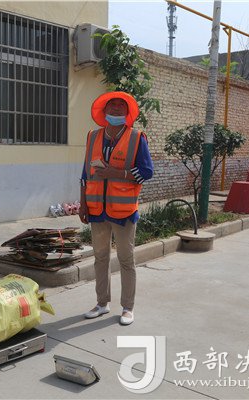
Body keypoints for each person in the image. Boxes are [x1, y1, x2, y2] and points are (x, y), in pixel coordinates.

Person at [79, 91, 154, 326]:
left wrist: (117, 173)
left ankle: (128, 307)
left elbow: (147, 172)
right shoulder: (93, 136)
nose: (116, 108)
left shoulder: (136, 137)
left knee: (126, 259)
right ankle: (102, 303)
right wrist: (82, 203)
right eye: (112, 104)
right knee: (100, 258)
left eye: (121, 105)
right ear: (104, 111)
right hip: (96, 209)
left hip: (124, 211)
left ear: (127, 112)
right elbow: (85, 173)